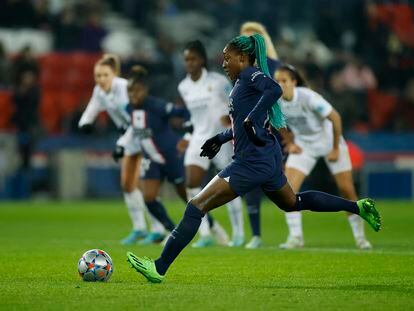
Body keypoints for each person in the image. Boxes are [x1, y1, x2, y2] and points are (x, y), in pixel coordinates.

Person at [126, 34, 381, 283]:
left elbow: (274, 89)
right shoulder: (241, 83)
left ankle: (159, 267)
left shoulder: (250, 75)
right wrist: (221, 137)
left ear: (243, 57)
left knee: (196, 206)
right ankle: (357, 207)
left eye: (228, 59)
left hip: (251, 161)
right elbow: (244, 121)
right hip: (266, 157)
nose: (224, 63)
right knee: (293, 202)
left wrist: (249, 119)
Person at [275, 64, 372, 250]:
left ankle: (361, 238)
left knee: (347, 190)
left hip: (328, 141)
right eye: (277, 81)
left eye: (284, 80)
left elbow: (335, 117)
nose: (280, 84)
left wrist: (335, 148)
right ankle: (295, 238)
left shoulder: (308, 97)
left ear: (294, 82)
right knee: (287, 190)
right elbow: (277, 121)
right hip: (304, 145)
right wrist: (290, 142)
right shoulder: (276, 102)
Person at [78, 54, 164, 245]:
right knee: (127, 184)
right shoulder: (99, 91)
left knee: (145, 183)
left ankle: (159, 229)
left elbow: (137, 120)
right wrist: (84, 123)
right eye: (97, 76)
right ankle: (140, 228)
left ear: (114, 74)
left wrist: (120, 145)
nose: (101, 80)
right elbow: (92, 108)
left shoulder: (126, 89)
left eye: (105, 75)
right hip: (128, 137)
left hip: (143, 135)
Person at [176, 40, 243, 247]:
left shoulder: (218, 81)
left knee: (230, 185)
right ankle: (205, 234)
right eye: (186, 59)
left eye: (193, 59)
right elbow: (194, 117)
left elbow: (235, 102)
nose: (189, 63)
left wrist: (230, 120)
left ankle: (238, 233)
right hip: (199, 138)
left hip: (220, 138)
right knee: (191, 183)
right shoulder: (184, 87)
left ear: (202, 60)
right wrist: (187, 138)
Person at [122, 65, 188, 243]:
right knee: (149, 198)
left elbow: (183, 112)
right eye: (130, 92)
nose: (133, 95)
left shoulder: (157, 106)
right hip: (150, 158)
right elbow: (135, 130)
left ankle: (210, 227)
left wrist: (189, 134)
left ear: (145, 90)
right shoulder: (128, 108)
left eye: (136, 91)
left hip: (170, 155)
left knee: (187, 196)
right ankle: (173, 232)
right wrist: (122, 145)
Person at [239, 21, 281, 248]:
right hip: (248, 131)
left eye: (253, 38)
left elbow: (279, 93)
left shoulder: (273, 66)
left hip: (274, 131)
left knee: (287, 190)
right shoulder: (238, 69)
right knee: (251, 184)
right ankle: (254, 234)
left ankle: (295, 233)